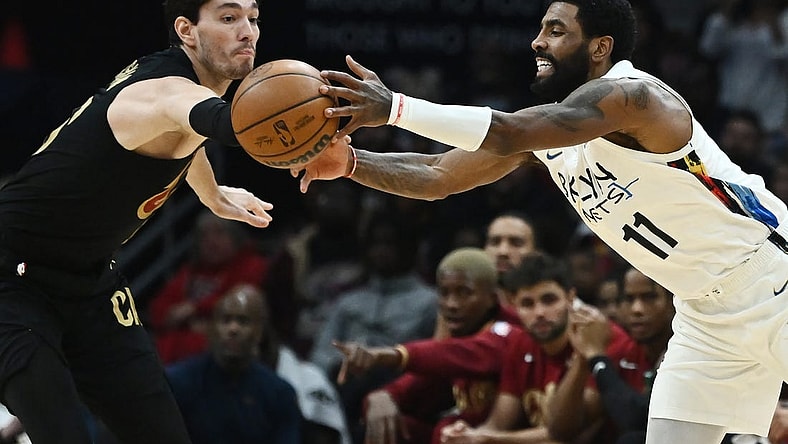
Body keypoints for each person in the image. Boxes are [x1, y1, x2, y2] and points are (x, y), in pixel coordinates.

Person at [293, 0, 788, 442]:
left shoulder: (635, 98)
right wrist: (352, 164)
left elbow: (508, 131)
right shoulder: (551, 128)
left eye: (555, 30)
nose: (537, 40)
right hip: (705, 315)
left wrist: (395, 108)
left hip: (772, 282)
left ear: (600, 46)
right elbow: (438, 175)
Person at [0, 0, 279, 442]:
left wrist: (213, 193)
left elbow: (189, 133)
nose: (248, 32)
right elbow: (226, 122)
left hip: (91, 282)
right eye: (229, 18)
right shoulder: (161, 92)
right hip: (12, 277)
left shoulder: (186, 87)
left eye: (253, 18)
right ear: (186, 30)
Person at [437, 251, 634, 444]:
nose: (539, 312)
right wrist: (467, 436)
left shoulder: (604, 338)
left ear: (571, 298)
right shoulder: (520, 343)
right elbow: (498, 424)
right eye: (527, 304)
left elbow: (568, 434)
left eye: (549, 300)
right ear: (514, 306)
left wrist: (487, 438)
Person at [333, 247, 521, 444]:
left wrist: (387, 355)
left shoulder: (510, 332)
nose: (452, 304)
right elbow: (424, 381)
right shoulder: (462, 336)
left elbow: (460, 354)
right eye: (444, 293)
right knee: (383, 428)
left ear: (492, 298)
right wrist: (383, 396)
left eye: (464, 293)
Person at [549, 266, 674, 443]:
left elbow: (638, 420)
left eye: (649, 297)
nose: (637, 309)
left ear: (673, 302)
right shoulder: (621, 349)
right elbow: (560, 430)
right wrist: (582, 357)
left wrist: (596, 357)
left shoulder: (689, 352)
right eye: (629, 299)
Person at [166, 284, 302, 444]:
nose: (233, 328)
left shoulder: (279, 394)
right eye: (225, 320)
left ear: (259, 332)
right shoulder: (178, 382)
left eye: (243, 321)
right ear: (211, 329)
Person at [149, 210, 269, 364]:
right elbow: (158, 309)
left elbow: (240, 303)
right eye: (204, 236)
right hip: (173, 361)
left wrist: (195, 309)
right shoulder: (191, 271)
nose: (211, 241)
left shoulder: (252, 265)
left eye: (219, 233)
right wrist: (179, 318)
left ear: (235, 237)